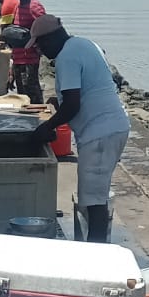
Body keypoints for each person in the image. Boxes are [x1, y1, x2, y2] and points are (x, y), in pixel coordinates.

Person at [29, 15, 129, 242]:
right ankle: (95, 246)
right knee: (95, 195)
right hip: (113, 126)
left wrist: (48, 125)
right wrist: (58, 101)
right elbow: (88, 88)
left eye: (40, 45)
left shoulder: (66, 57)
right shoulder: (84, 43)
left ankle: (96, 252)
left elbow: (74, 105)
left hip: (100, 133)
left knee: (94, 201)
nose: (41, 51)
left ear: (51, 38)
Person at [8, 0, 47, 104]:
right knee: (22, 98)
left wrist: (36, 45)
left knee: (32, 97)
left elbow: (46, 30)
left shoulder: (34, 6)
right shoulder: (17, 7)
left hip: (29, 61)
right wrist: (12, 68)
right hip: (18, 61)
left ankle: (41, 122)